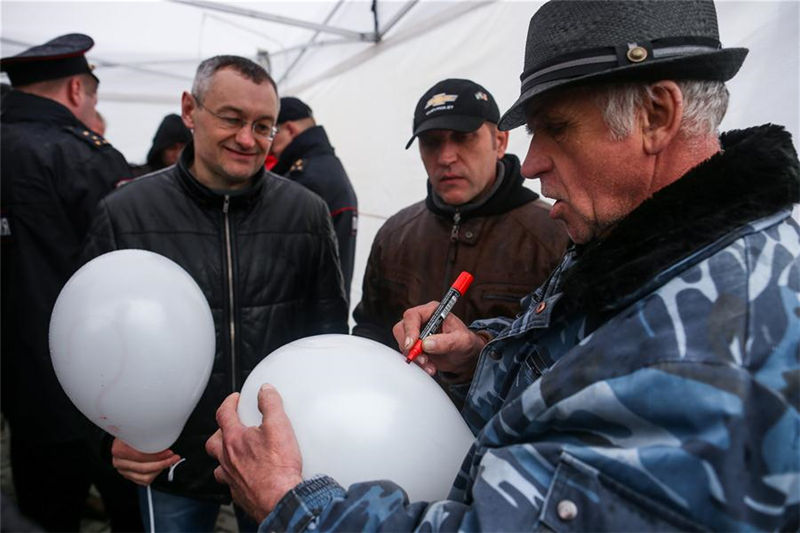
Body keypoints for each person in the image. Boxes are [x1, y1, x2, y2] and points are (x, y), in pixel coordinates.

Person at [205, 1, 800, 531]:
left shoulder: (715, 342)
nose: (534, 163)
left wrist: (293, 506)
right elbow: (571, 363)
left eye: (555, 128)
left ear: (656, 114)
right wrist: (477, 355)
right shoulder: (643, 242)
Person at [81, 55, 349, 532]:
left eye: (263, 126)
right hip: (171, 457)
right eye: (231, 118)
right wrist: (109, 435)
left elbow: (327, 332)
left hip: (275, 459)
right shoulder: (126, 212)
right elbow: (88, 343)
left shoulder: (306, 212)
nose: (247, 139)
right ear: (190, 109)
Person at [0, 33, 140, 532]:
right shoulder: (86, 156)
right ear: (77, 90)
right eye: (93, 100)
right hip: (94, 386)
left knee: (41, 513)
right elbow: (130, 274)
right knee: (131, 512)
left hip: (18, 387)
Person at [352, 78, 567, 357]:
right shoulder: (394, 234)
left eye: (463, 137)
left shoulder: (556, 234)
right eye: (431, 142)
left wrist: (477, 354)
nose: (446, 157)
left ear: (500, 141)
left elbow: (569, 349)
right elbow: (369, 328)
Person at [270, 96, 358, 298]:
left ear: (289, 130)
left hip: (302, 305)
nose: (271, 146)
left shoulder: (304, 178)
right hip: (330, 300)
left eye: (272, 133)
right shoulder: (329, 167)